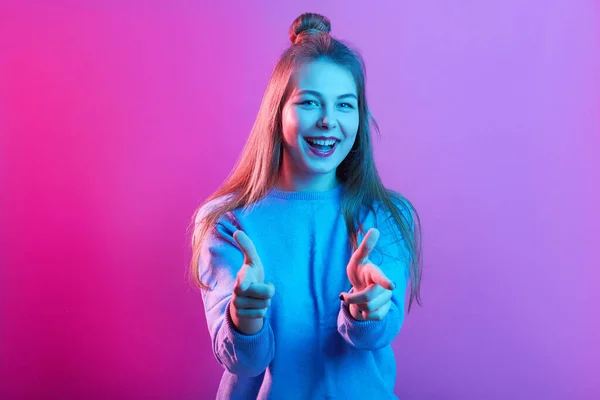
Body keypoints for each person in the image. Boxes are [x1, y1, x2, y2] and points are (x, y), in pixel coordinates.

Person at [190, 12, 423, 400]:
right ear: (277, 113)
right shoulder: (226, 221)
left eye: (345, 106)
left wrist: (365, 312)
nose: (329, 121)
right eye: (310, 103)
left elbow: (379, 333)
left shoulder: (385, 216)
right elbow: (242, 361)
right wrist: (244, 317)